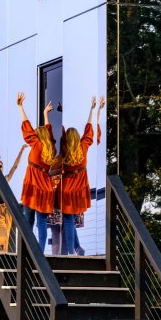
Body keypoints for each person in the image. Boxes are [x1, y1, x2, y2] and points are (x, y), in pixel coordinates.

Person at [58, 96, 103, 255]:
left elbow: (60, 132)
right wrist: (94, 110)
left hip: (66, 188)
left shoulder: (64, 150)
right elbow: (89, 129)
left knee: (68, 220)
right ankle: (77, 247)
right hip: (79, 189)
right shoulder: (83, 147)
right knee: (70, 220)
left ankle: (71, 251)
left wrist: (57, 115)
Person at [17, 93, 59, 250]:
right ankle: (40, 251)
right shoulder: (50, 149)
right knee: (41, 223)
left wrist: (20, 107)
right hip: (45, 187)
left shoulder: (36, 144)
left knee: (28, 220)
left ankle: (25, 250)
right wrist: (45, 114)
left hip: (33, 186)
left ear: (37, 136)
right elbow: (48, 131)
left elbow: (26, 126)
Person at [0, 146, 27, 251]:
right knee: (2, 231)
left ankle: (5, 252)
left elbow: (15, 166)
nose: (0, 167)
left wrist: (21, 151)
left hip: (7, 208)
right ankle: (1, 252)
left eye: (1, 166)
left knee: (8, 231)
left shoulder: (5, 178)